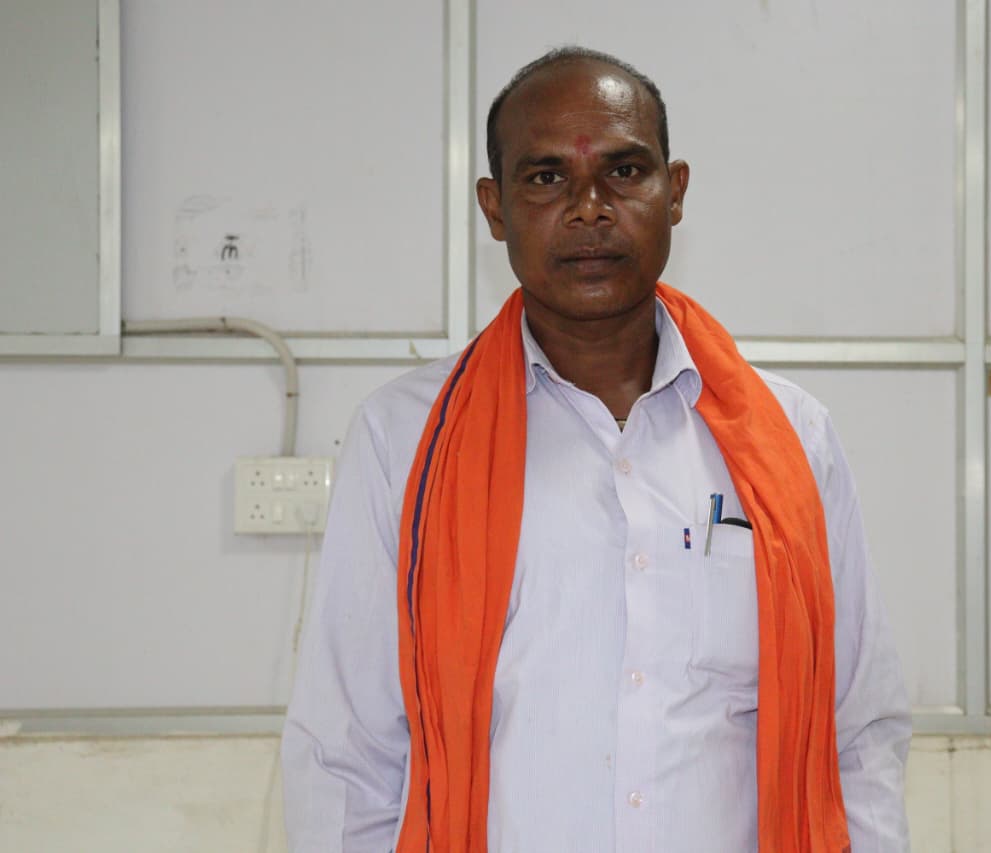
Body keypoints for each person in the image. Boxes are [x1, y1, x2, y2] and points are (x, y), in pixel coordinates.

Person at [282, 46, 911, 853]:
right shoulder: (404, 441)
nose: (589, 209)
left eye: (624, 171)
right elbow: (347, 754)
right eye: (546, 177)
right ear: (495, 208)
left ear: (674, 192)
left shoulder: (792, 438)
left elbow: (858, 730)